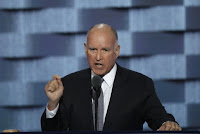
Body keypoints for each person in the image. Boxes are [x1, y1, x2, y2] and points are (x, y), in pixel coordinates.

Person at [41, 23, 182, 131]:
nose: (98, 57)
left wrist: (167, 124)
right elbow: (52, 131)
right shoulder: (69, 84)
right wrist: (53, 104)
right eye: (93, 49)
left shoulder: (140, 84)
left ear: (117, 51)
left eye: (105, 50)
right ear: (85, 49)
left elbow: (159, 117)